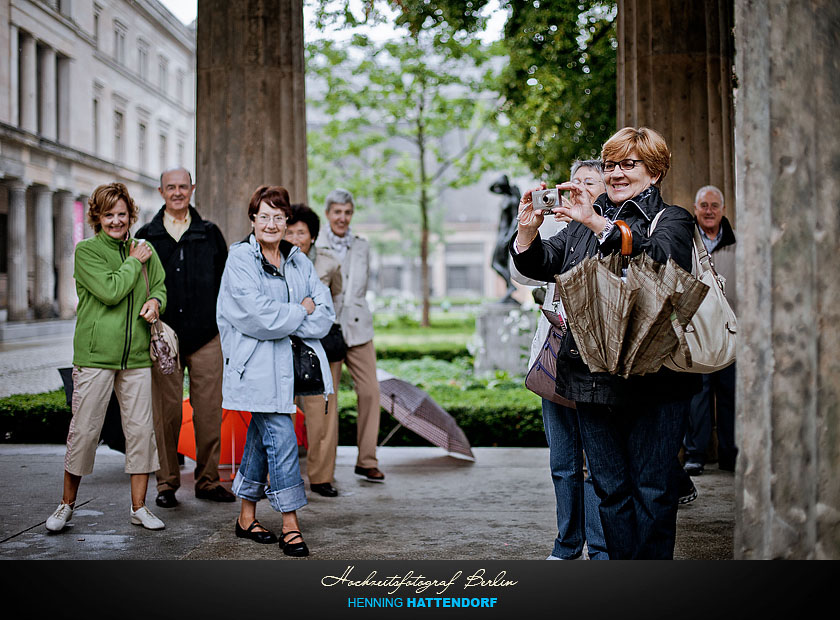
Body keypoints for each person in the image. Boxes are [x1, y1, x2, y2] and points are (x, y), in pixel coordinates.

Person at [510, 127, 701, 559]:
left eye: (627, 164)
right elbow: (542, 264)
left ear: (654, 172)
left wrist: (597, 222)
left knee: (653, 493)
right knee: (610, 491)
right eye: (611, 164)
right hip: (591, 377)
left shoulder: (672, 218)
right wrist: (527, 231)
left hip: (656, 376)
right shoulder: (581, 223)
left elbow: (661, 258)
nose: (616, 173)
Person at [216, 185, 335, 557]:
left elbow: (326, 316)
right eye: (263, 216)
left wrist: (287, 318)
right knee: (282, 438)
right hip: (255, 370)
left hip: (288, 370)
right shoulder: (239, 259)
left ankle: (246, 517)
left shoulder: (300, 261)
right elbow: (257, 317)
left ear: (287, 222)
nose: (271, 223)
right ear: (252, 220)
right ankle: (290, 524)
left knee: (260, 438)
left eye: (278, 217)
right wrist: (301, 310)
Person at [45, 182, 168, 533]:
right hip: (96, 356)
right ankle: (66, 505)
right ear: (97, 217)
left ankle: (139, 507)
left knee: (141, 432)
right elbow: (111, 291)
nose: (116, 221)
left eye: (122, 214)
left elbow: (158, 285)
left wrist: (156, 302)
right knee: (84, 431)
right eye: (109, 215)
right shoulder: (86, 252)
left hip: (138, 357)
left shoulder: (144, 249)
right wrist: (133, 262)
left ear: (131, 215)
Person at [511, 160, 610, 560]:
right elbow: (524, 274)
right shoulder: (561, 229)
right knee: (563, 462)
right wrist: (528, 228)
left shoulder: (614, 231)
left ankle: (600, 547)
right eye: (576, 182)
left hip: (597, 363)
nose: (581, 189)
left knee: (596, 466)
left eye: (591, 182)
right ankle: (567, 544)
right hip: (555, 357)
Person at [135, 167, 235, 508]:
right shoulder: (146, 236)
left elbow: (227, 285)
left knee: (209, 413)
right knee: (166, 414)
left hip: (207, 336)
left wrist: (225, 329)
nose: (177, 192)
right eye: (170, 187)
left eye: (183, 186)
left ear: (192, 189)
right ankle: (166, 484)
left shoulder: (209, 233)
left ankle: (208, 480)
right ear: (161, 191)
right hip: (165, 338)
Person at [315, 188, 385, 483]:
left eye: (347, 212)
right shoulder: (315, 246)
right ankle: (324, 472)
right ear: (328, 214)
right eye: (337, 212)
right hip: (327, 330)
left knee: (371, 392)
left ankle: (366, 459)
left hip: (358, 327)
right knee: (327, 399)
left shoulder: (362, 245)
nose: (342, 218)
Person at [286, 203, 343, 497]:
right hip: (284, 344)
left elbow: (336, 298)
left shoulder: (328, 263)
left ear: (312, 236)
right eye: (291, 232)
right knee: (281, 412)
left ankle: (321, 477)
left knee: (322, 412)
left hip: (320, 345)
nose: (296, 238)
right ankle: (279, 477)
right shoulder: (275, 261)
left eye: (302, 232)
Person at [683, 185, 738, 475]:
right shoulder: (689, 243)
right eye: (703, 205)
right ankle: (696, 455)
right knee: (699, 396)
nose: (709, 210)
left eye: (714, 205)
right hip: (700, 331)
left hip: (730, 332)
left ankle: (730, 454)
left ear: (723, 210)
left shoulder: (736, 245)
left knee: (730, 395)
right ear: (695, 209)